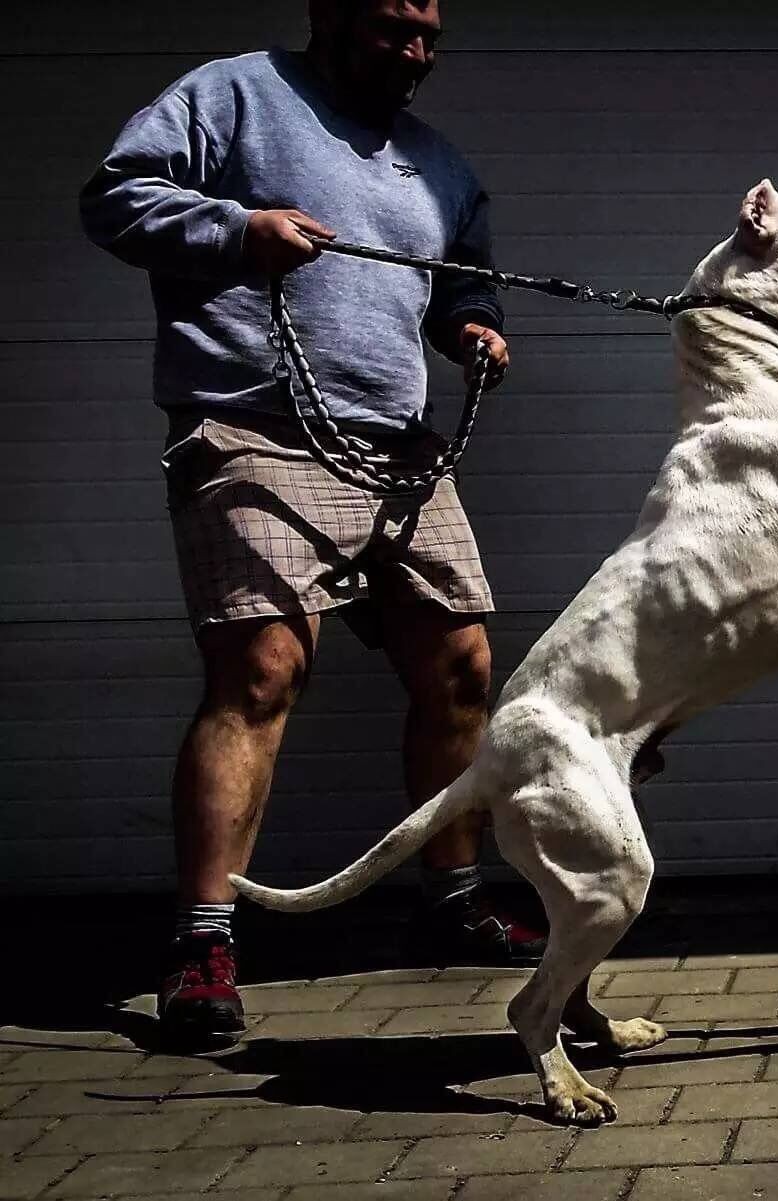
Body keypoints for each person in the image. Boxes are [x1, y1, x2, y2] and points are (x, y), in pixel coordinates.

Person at [80, 0, 546, 1049]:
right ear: (331, 16)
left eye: (429, 35)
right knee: (262, 671)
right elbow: (114, 198)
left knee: (462, 668)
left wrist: (475, 326)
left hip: (396, 445)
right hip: (250, 425)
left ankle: (452, 896)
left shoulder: (439, 164)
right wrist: (236, 230)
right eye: (392, 28)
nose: (415, 52)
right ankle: (202, 942)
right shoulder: (234, 94)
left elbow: (461, 283)